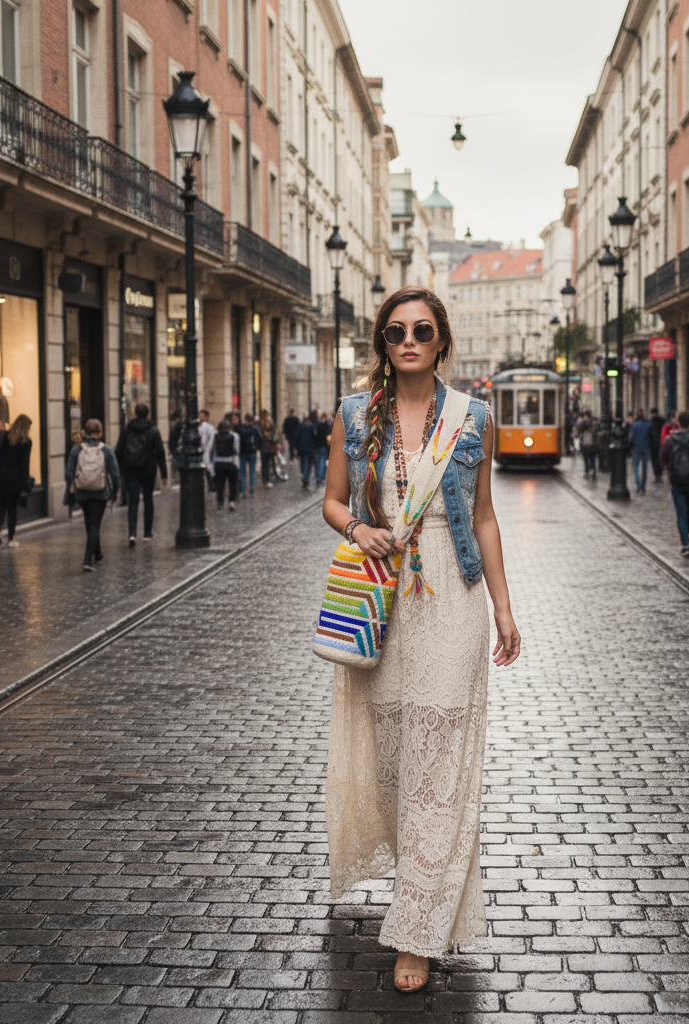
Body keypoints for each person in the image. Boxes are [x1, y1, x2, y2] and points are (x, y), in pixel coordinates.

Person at [322, 285, 520, 993]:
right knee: (393, 757)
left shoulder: (475, 418)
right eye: (396, 331)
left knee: (438, 757)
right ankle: (416, 879)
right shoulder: (353, 414)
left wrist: (503, 608)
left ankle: (418, 930)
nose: (409, 340)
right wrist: (357, 528)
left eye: (423, 330)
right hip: (382, 593)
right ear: (382, 342)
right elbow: (332, 501)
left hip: (453, 595)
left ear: (441, 342)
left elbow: (485, 516)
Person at [65, 419, 120, 572]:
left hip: (83, 492)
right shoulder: (106, 450)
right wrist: (115, 491)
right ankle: (87, 559)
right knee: (94, 525)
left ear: (85, 432)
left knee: (90, 523)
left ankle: (98, 553)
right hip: (100, 493)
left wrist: (70, 490)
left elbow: (69, 473)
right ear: (100, 433)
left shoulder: (77, 450)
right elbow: (115, 473)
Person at [115, 404, 168, 546]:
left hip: (131, 469)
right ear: (147, 414)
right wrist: (164, 473)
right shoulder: (153, 431)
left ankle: (132, 533)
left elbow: (119, 450)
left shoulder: (126, 430)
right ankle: (147, 532)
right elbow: (160, 453)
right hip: (148, 469)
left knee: (133, 501)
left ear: (135, 413)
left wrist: (123, 466)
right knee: (148, 499)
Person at [660, 410, 689, 556]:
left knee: (681, 513)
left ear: (678, 422)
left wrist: (669, 466)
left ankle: (685, 543)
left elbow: (662, 458)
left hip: (676, 479)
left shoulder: (670, 440)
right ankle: (686, 535)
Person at [0, 413, 32, 547]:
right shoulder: (26, 442)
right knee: (12, 508)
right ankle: (11, 538)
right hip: (15, 480)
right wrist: (25, 485)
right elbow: (24, 466)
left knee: (2, 504)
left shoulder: (2, 435)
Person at [211, 419, 239, 510]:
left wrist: (212, 467)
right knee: (233, 483)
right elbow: (236, 451)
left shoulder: (215, 436)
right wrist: (237, 465)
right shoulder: (235, 436)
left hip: (218, 463)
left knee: (220, 484)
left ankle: (220, 501)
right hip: (230, 462)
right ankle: (232, 501)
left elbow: (213, 450)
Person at [237, 412, 261, 496]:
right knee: (252, 470)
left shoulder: (241, 428)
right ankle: (251, 487)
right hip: (252, 451)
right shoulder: (254, 428)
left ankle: (243, 488)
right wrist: (257, 447)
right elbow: (259, 438)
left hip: (243, 452)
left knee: (242, 471)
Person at [629, 409, 652, 493]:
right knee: (645, 467)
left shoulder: (634, 424)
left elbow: (631, 437)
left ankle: (638, 484)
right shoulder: (648, 424)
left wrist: (630, 445)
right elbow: (651, 436)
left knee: (636, 466)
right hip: (646, 446)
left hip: (636, 447)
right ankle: (643, 485)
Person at [294, 411, 317, 488]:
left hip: (301, 447)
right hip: (309, 448)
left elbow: (296, 437)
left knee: (302, 461)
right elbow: (314, 438)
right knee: (308, 463)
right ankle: (306, 477)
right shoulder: (312, 427)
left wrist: (296, 446)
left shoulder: (299, 427)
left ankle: (303, 473)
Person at [258, 410, 279, 489]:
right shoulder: (270, 423)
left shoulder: (260, 424)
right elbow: (274, 434)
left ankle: (265, 480)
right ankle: (269, 480)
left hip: (263, 447)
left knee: (264, 464)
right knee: (270, 463)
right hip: (269, 446)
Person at [576, 411, 598, 480]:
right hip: (589, 443)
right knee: (590, 458)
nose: (585, 418)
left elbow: (580, 431)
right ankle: (590, 470)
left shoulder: (588, 423)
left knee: (589, 458)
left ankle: (589, 471)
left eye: (586, 416)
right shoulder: (592, 423)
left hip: (588, 443)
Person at [198, 410, 216, 492]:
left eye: (203, 416)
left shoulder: (209, 427)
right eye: (200, 416)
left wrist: (208, 448)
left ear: (207, 417)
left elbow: (211, 439)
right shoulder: (199, 427)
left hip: (208, 450)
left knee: (208, 468)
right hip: (203, 451)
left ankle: (211, 484)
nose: (201, 418)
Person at [649, 407, 666, 482]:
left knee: (655, 460)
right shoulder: (662, 420)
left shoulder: (651, 421)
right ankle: (659, 474)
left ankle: (657, 475)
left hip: (654, 444)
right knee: (659, 459)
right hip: (659, 443)